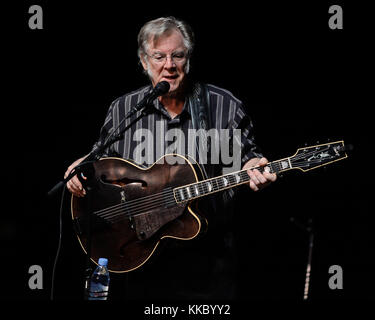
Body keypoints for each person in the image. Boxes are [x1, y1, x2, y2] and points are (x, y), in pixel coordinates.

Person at [64, 16, 277, 300]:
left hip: (208, 262)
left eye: (178, 55)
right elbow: (102, 161)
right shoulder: (124, 108)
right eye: (159, 56)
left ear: (188, 58)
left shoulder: (224, 106)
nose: (169, 65)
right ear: (143, 61)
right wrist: (81, 169)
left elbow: (249, 158)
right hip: (137, 254)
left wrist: (254, 167)